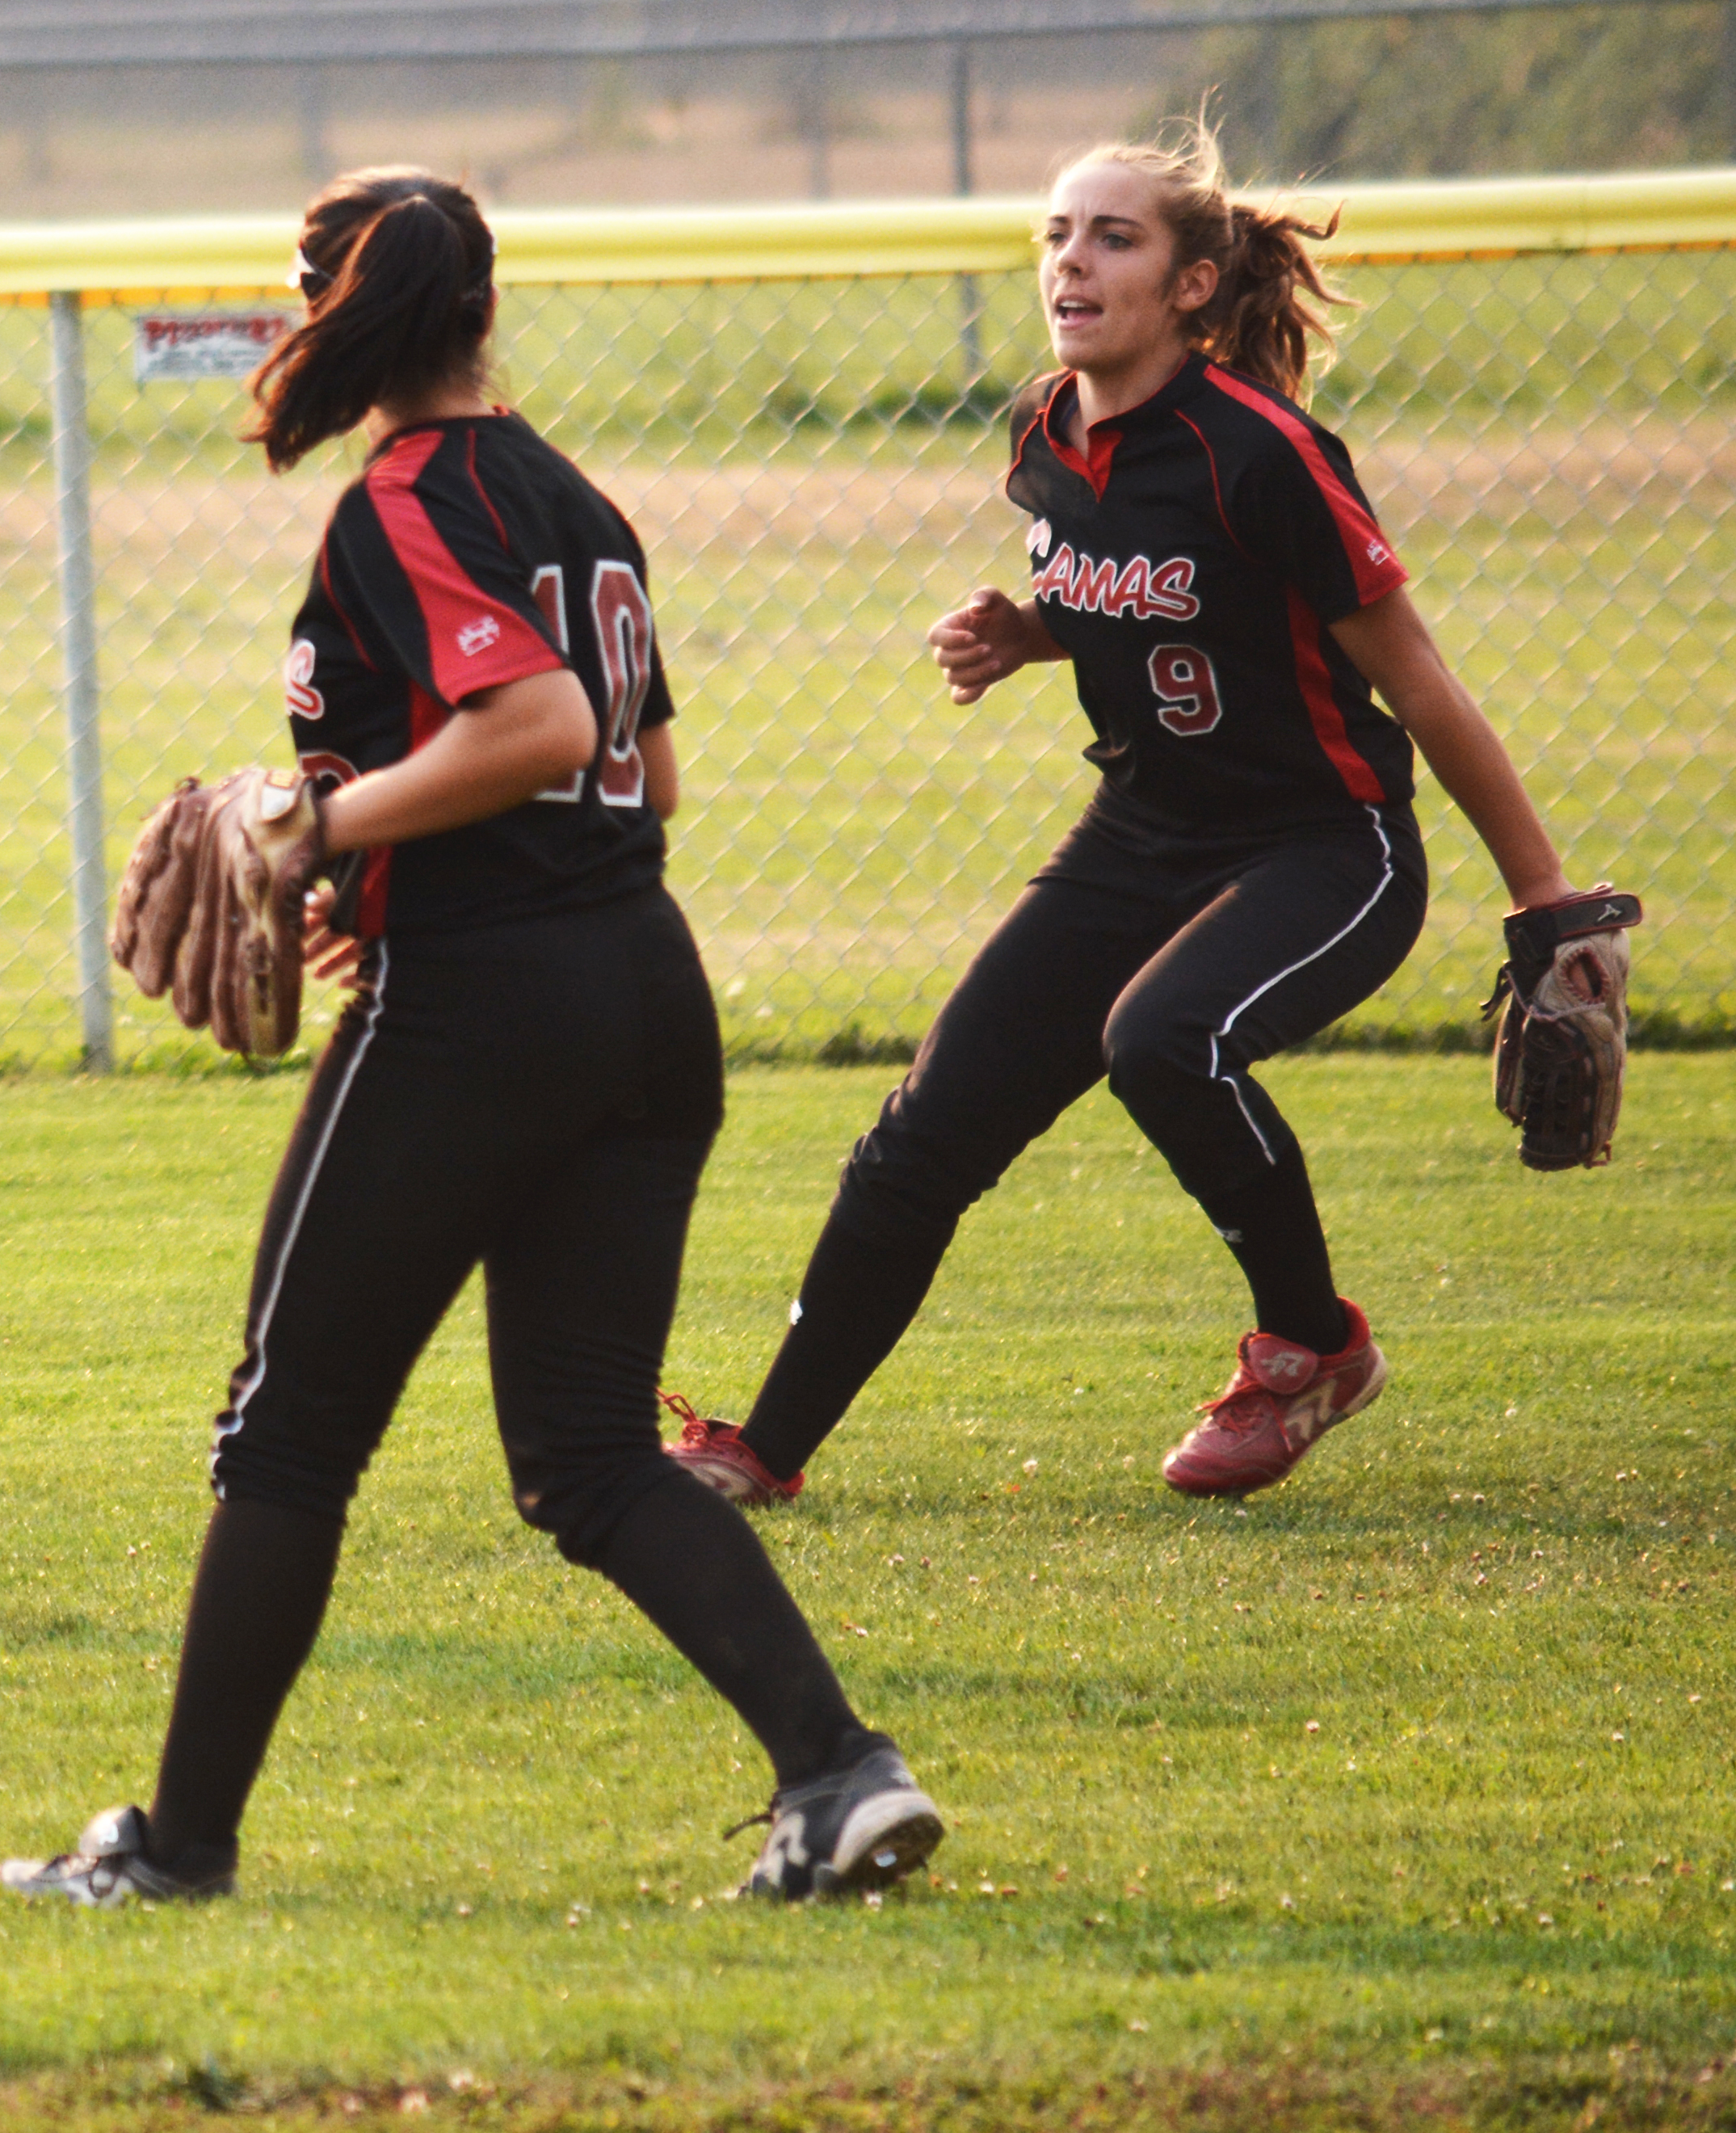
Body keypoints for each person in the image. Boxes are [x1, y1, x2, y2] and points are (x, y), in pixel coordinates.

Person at [0, 169, 942, 1910]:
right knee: (583, 1453)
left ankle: (177, 1847)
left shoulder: (404, 501)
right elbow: (640, 773)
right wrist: (405, 840)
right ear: (484, 304)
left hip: (485, 1014)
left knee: (287, 1434)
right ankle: (840, 1774)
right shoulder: (571, 493)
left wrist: (326, 830)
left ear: (331, 314)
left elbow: (540, 722)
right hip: (643, 990)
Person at [670, 125, 1609, 1511]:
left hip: (1323, 845)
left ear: (1191, 286)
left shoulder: (1266, 452)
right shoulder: (1044, 429)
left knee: (1163, 1041)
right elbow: (1165, 599)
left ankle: (1314, 1348)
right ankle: (758, 1451)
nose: (1071, 260)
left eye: (1115, 237)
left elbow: (1413, 677)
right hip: (1139, 838)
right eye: (1058, 233)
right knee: (925, 1132)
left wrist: (1545, 903)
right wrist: (1030, 631)